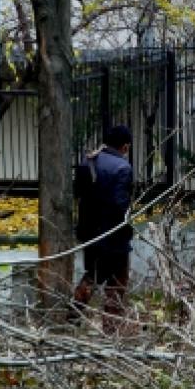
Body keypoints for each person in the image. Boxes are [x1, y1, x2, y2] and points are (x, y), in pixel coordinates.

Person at [70, 125, 135, 332]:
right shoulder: (123, 168)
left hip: (89, 232)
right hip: (113, 235)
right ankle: (111, 328)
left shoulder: (87, 161)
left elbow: (78, 193)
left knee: (92, 275)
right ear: (125, 147)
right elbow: (119, 205)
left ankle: (72, 317)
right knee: (117, 281)